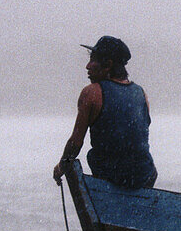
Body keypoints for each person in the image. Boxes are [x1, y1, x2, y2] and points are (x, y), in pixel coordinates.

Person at [53, 35, 157, 188]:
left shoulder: (91, 93)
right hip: (145, 176)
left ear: (108, 65)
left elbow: (76, 142)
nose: (87, 66)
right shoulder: (141, 93)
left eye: (93, 60)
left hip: (111, 176)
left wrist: (62, 166)